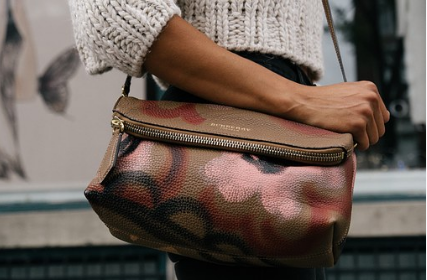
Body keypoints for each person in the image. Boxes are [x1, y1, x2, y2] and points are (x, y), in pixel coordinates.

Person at [68, 1, 390, 279]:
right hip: (229, 120)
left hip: (269, 109)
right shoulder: (290, 98)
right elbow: (115, 13)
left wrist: (302, 100)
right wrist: (301, 100)